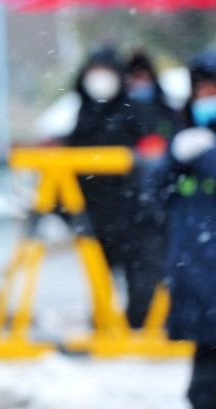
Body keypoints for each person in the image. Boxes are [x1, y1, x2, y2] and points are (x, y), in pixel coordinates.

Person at [151, 53, 216, 409]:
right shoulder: (184, 146)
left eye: (213, 90)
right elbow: (154, 195)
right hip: (207, 297)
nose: (205, 99)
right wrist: (174, 157)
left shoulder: (211, 152)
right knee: (205, 391)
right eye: (199, 91)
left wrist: (212, 155)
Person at [66, 47, 156, 329]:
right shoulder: (83, 115)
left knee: (140, 276)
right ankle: (105, 323)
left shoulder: (134, 112)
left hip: (133, 211)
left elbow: (151, 155)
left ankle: (139, 324)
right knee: (98, 272)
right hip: (95, 210)